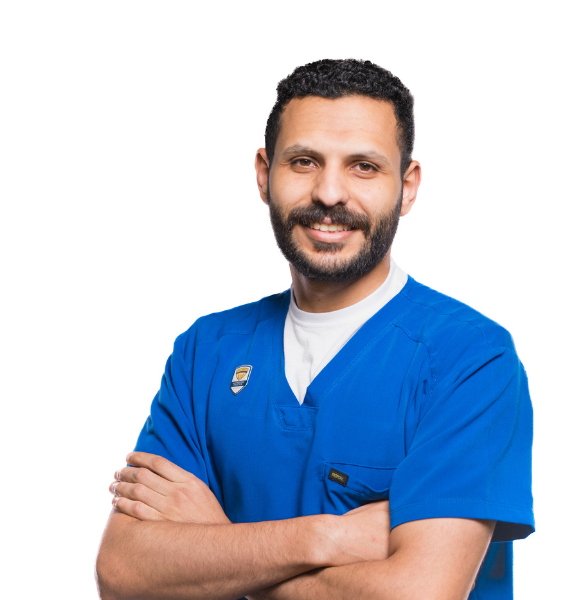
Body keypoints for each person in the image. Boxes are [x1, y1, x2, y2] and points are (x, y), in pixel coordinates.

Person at [95, 59, 534, 600]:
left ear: (407, 187)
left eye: (364, 167)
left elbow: (419, 593)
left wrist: (219, 549)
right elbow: (123, 572)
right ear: (264, 174)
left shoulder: (470, 359)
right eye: (303, 162)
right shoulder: (205, 352)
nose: (329, 193)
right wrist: (329, 536)